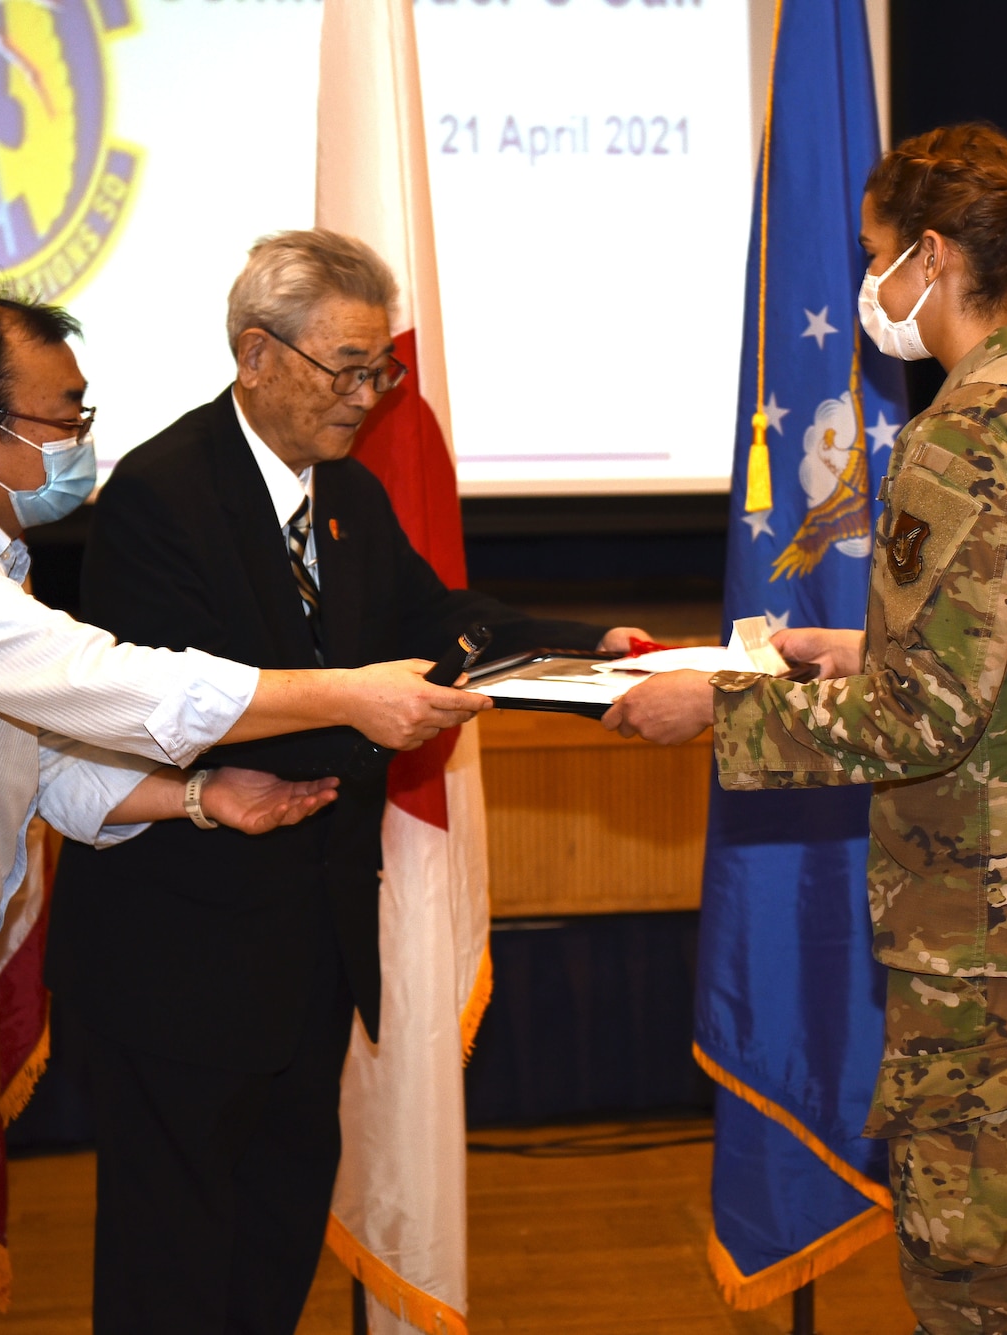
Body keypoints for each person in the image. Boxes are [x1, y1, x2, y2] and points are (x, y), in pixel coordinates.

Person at [0, 296, 487, 1335]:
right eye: (64, 421)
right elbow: (108, 687)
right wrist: (345, 692)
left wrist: (199, 796)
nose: (82, 446)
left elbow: (40, 761)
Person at [607, 124, 1007, 1335]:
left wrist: (709, 707)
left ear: (931, 257)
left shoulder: (966, 433)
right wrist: (848, 649)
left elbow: (921, 720)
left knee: (978, 1289)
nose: (867, 282)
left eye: (875, 252)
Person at [48, 229, 644, 1334]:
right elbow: (186, 708)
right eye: (346, 368)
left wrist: (580, 646)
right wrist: (364, 707)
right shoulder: (160, 493)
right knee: (172, 1259)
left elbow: (435, 624)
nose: (368, 394)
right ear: (256, 354)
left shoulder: (349, 497)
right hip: (182, 955)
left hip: (308, 949)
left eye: (381, 370)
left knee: (275, 1237)